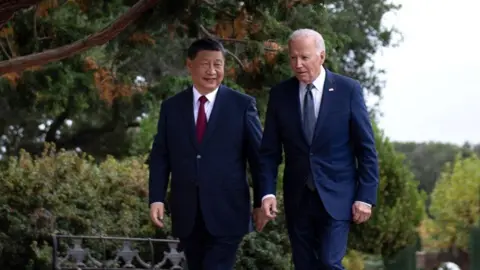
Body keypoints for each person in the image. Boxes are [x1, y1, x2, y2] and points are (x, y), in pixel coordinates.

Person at [259, 29, 380, 269]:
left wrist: (365, 196)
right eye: (293, 58)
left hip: (338, 196)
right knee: (304, 265)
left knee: (328, 261)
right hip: (298, 197)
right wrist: (267, 193)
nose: (298, 64)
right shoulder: (280, 95)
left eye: (304, 57)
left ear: (321, 56)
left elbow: (366, 149)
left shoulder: (348, 91)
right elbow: (269, 152)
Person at [148, 38, 264, 270]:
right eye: (205, 64)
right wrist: (156, 198)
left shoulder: (242, 105)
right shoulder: (172, 108)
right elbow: (161, 156)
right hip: (187, 212)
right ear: (189, 65)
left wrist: (263, 199)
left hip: (228, 211)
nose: (212, 71)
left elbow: (259, 158)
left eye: (218, 64)